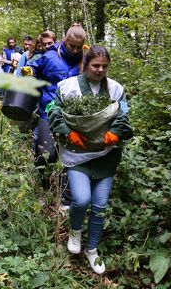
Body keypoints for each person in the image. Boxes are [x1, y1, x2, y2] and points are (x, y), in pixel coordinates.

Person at [47, 45, 133, 274]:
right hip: (77, 154)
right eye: (96, 65)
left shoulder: (116, 89)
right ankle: (75, 231)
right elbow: (53, 110)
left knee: (100, 205)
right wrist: (67, 132)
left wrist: (116, 131)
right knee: (82, 199)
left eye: (105, 66)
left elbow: (124, 111)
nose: (100, 70)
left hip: (106, 155)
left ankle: (92, 249)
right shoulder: (68, 87)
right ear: (86, 64)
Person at [21, 24, 86, 206]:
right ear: (65, 40)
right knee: (45, 153)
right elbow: (34, 68)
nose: (74, 50)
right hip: (47, 112)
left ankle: (65, 196)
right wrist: (29, 71)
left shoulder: (84, 60)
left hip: (73, 115)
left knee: (70, 156)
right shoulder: (50, 56)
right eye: (71, 45)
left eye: (78, 47)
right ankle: (43, 188)